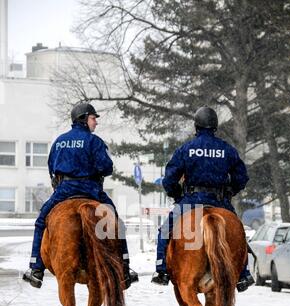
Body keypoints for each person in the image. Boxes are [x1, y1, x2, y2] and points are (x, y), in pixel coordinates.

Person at [23, 102, 138, 289]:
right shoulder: (94, 141)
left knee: (41, 221)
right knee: (116, 222)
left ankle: (36, 269)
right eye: (93, 118)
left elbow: (51, 166)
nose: (96, 123)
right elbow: (107, 168)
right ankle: (124, 268)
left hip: (64, 190)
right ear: (84, 119)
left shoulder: (59, 141)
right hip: (91, 190)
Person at [151, 105, 254, 292]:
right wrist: (230, 192)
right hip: (219, 201)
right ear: (215, 126)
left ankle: (161, 270)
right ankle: (243, 274)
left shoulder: (186, 149)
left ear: (196, 126)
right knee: (238, 231)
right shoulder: (227, 149)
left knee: (165, 230)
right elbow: (241, 178)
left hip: (191, 200)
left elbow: (170, 179)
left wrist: (176, 194)